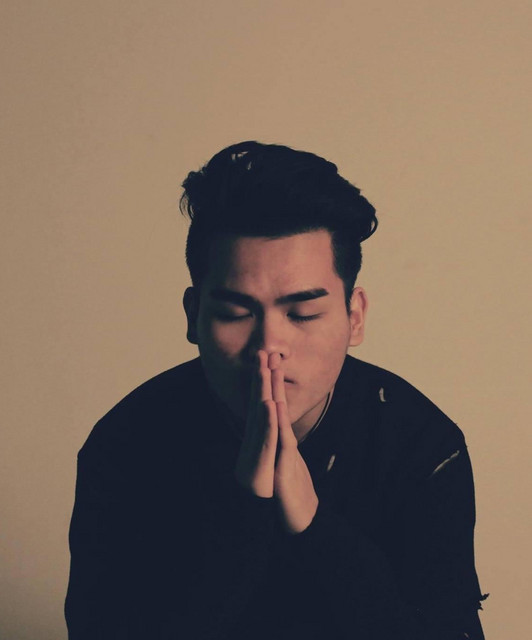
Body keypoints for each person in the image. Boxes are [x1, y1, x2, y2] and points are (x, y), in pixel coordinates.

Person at [65, 140, 487, 639]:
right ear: (193, 317)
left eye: (302, 314)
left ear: (354, 318)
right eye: (235, 313)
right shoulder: (128, 444)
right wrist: (244, 514)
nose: (269, 347)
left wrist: (313, 525)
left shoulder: (420, 446)